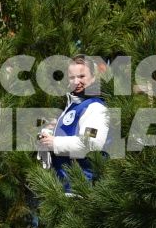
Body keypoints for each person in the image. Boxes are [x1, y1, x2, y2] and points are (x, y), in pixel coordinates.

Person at [39, 55, 112, 193]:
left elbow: (91, 144)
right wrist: (52, 130)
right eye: (72, 78)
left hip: (83, 191)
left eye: (82, 76)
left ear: (93, 77)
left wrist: (54, 143)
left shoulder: (96, 108)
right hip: (63, 189)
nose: (76, 81)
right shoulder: (73, 105)